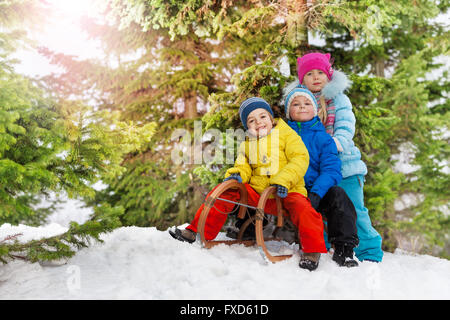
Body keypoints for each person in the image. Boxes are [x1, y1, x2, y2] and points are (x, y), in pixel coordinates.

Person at [169, 97, 327, 271]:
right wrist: (237, 175)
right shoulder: (247, 143)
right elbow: (243, 164)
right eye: (252, 121)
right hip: (260, 195)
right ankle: (196, 231)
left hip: (287, 192)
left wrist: (283, 181)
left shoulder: (287, 134)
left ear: (271, 118)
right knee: (225, 192)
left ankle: (312, 251)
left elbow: (300, 158)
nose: (258, 123)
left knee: (305, 210)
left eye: (262, 117)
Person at [296, 52, 383, 262]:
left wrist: (334, 143)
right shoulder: (300, 102)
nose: (316, 77)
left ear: (328, 75)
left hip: (345, 166)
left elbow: (345, 126)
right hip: (318, 170)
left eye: (320, 72)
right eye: (309, 74)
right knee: (319, 208)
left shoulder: (339, 99)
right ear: (301, 79)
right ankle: (321, 246)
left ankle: (368, 250)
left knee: (355, 210)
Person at [284, 85, 359, 267]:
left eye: (307, 103)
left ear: (316, 110)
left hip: (318, 188)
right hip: (292, 189)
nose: (302, 107)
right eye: (296, 104)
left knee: (339, 196)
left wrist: (317, 192)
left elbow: (332, 169)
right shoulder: (282, 136)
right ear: (289, 112)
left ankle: (344, 248)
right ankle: (310, 249)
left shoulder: (324, 138)